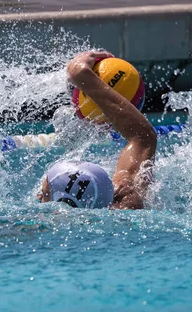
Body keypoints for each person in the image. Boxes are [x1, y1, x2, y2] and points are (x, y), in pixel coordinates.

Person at [37, 51, 157, 210]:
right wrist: (82, 76)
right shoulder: (125, 200)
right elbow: (143, 137)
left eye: (44, 193)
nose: (38, 196)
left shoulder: (39, 226)